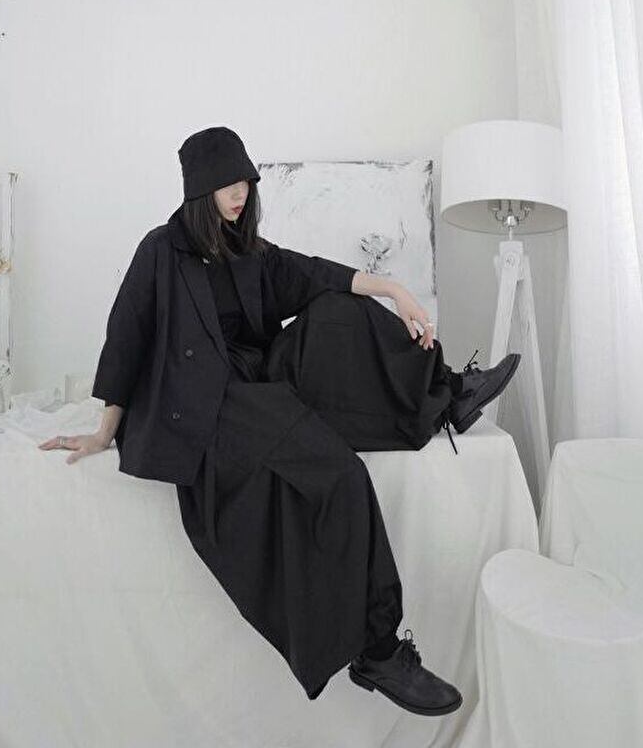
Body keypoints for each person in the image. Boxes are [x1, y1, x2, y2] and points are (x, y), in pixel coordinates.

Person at [39, 126, 520, 716]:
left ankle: (447, 396)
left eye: (245, 181)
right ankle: (378, 650)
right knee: (342, 476)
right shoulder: (161, 251)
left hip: (258, 376)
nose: (239, 193)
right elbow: (125, 339)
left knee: (341, 309)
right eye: (226, 184)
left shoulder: (246, 249)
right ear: (199, 190)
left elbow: (313, 273)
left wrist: (395, 289)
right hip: (209, 403)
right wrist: (105, 429)